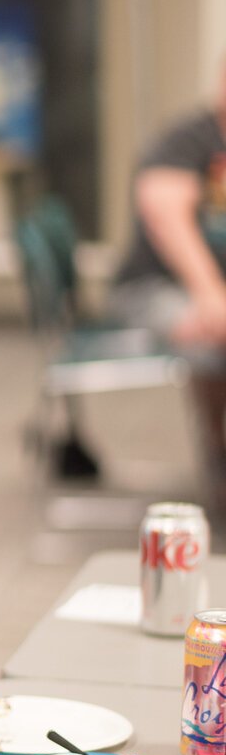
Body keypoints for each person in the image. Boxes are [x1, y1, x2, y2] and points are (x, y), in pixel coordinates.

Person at [108, 61, 226, 505]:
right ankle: (218, 457)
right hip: (150, 290)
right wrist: (210, 290)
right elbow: (163, 210)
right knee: (214, 331)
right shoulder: (189, 140)